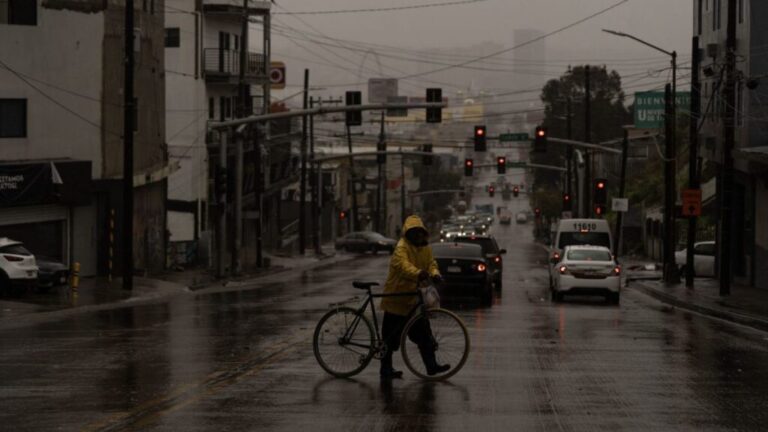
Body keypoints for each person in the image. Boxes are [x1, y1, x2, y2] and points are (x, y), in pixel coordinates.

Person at [379, 215, 450, 380]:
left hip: (413, 300)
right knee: (390, 338)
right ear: (408, 233)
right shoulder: (402, 247)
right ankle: (385, 369)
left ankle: (431, 366)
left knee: (424, 335)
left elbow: (431, 264)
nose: (418, 235)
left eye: (420, 232)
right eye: (414, 232)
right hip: (396, 299)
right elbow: (403, 266)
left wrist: (435, 274)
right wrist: (418, 273)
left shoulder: (425, 249)